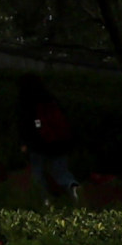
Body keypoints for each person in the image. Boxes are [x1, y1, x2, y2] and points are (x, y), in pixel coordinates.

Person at [18, 77, 81, 206]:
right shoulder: (50, 99)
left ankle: (45, 200)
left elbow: (26, 126)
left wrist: (24, 144)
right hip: (60, 142)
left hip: (38, 144)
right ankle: (73, 187)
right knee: (61, 171)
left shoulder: (27, 102)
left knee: (38, 173)